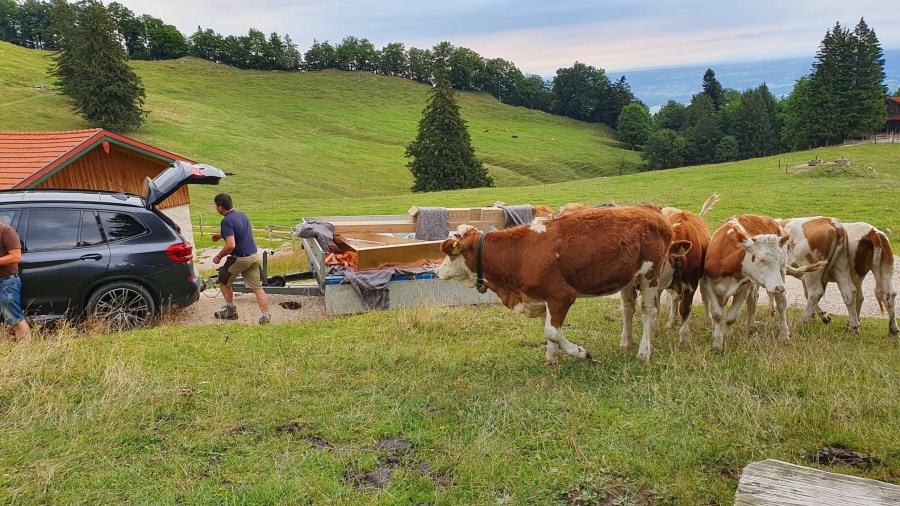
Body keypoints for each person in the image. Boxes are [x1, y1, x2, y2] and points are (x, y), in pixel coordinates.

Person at [211, 193, 271, 324]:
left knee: (223, 280)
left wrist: (218, 257)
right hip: (254, 256)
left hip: (240, 259)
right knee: (258, 288)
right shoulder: (242, 215)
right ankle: (266, 315)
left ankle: (230, 311)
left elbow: (231, 245)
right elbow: (239, 231)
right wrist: (221, 235)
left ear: (220, 207)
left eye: (216, 206)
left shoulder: (226, 221)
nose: (216, 208)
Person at [0, 219, 31, 339]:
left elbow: (16, 257)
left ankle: (27, 351)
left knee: (15, 319)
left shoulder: (6, 231)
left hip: (6, 282)